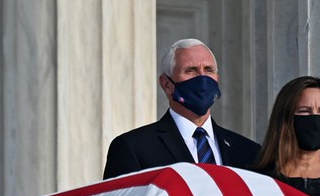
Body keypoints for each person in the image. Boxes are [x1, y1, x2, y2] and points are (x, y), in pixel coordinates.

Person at [103, 38, 260, 179]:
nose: (202, 78)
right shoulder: (133, 148)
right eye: (190, 70)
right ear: (166, 84)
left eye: (208, 70)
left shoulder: (249, 152)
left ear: (217, 79)